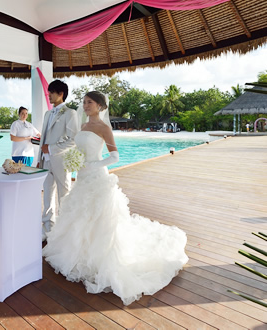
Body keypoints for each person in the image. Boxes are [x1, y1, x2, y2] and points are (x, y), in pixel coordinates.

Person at [43, 91, 188, 306]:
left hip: (97, 178)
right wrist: (74, 162)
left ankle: (97, 259)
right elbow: (78, 148)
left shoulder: (104, 128)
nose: (85, 106)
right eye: (83, 102)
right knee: (80, 216)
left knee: (99, 220)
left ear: (101, 106)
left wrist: (91, 165)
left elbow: (114, 157)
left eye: (89, 102)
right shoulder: (82, 127)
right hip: (81, 179)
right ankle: (77, 254)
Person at [38, 80, 78, 241]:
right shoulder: (48, 113)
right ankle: (48, 229)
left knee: (64, 195)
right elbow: (43, 139)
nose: (48, 95)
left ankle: (65, 229)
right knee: (47, 195)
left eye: (51, 92)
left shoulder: (70, 113)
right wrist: (39, 158)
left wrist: (52, 148)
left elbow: (74, 139)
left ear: (61, 94)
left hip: (61, 160)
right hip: (45, 161)